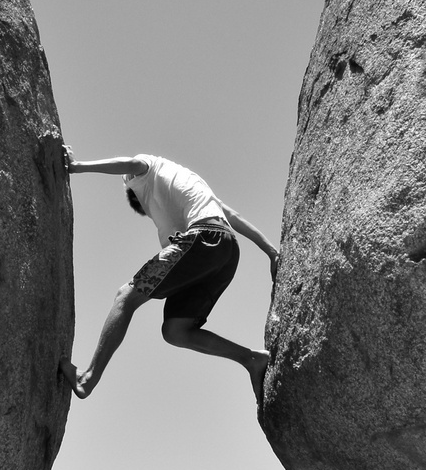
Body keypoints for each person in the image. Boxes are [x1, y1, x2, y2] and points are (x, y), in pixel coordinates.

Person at [59, 147, 279, 401]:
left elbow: (130, 164)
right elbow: (233, 217)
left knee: (125, 298)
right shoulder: (192, 187)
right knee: (175, 331)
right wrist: (271, 252)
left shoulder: (149, 167)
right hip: (227, 252)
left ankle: (87, 379)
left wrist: (77, 167)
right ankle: (251, 358)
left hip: (203, 237)